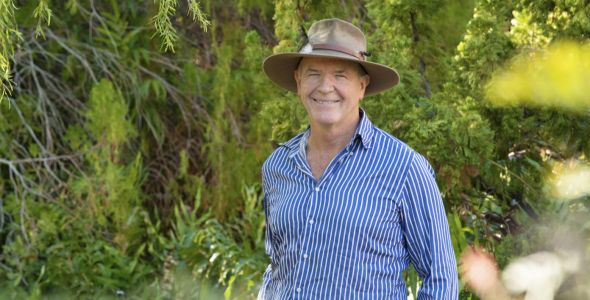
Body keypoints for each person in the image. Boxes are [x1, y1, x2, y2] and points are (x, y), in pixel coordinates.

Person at [258, 19, 458, 300]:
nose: (326, 87)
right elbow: (278, 267)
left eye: (340, 75)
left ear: (362, 86)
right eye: (313, 74)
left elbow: (442, 280)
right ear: (298, 81)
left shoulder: (404, 168)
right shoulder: (277, 167)